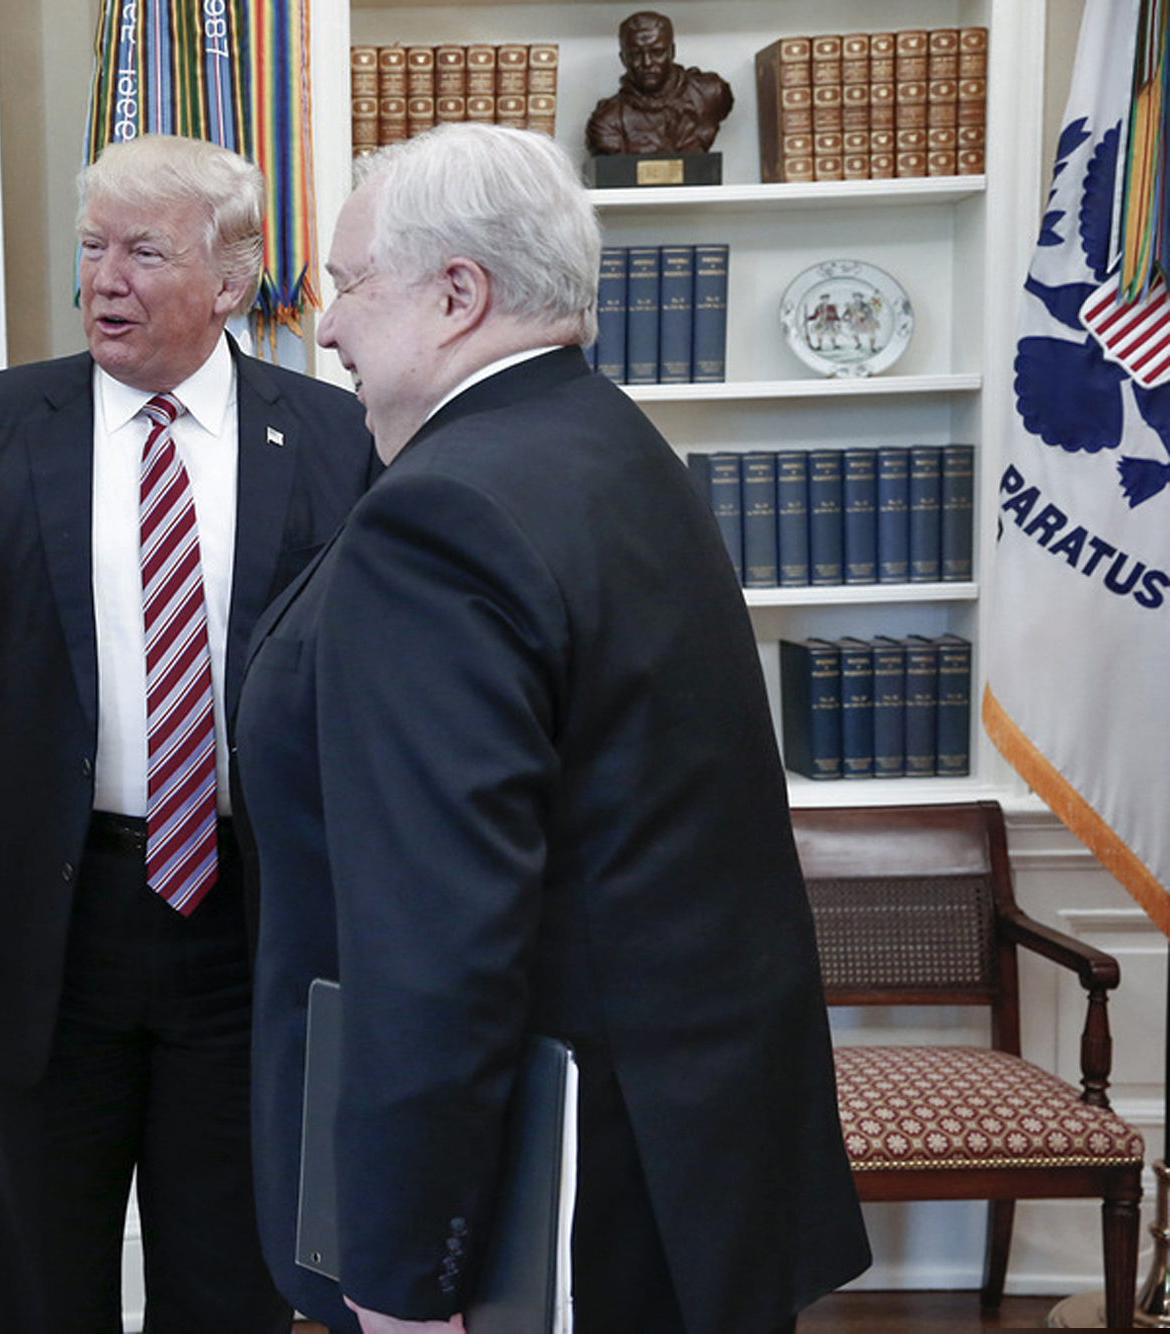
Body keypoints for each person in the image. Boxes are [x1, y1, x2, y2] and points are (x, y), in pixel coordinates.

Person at [237, 123, 870, 1334]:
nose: (326, 327)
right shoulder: (608, 443)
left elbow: (437, 932)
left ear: (456, 295)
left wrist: (404, 1271)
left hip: (556, 1207)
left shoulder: (440, 516)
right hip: (683, 1156)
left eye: (348, 284)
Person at [0, 133, 375, 1332]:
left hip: (252, 919)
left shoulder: (334, 436)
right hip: (42, 925)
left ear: (231, 279)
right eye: (91, 247)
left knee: (233, 1282)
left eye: (143, 252)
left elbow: (368, 691)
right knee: (43, 1278)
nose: (103, 279)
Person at [586, 10, 734, 156]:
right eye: (636, 55)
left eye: (657, 52)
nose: (647, 63)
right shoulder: (607, 123)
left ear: (672, 52)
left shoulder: (709, 93)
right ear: (623, 59)